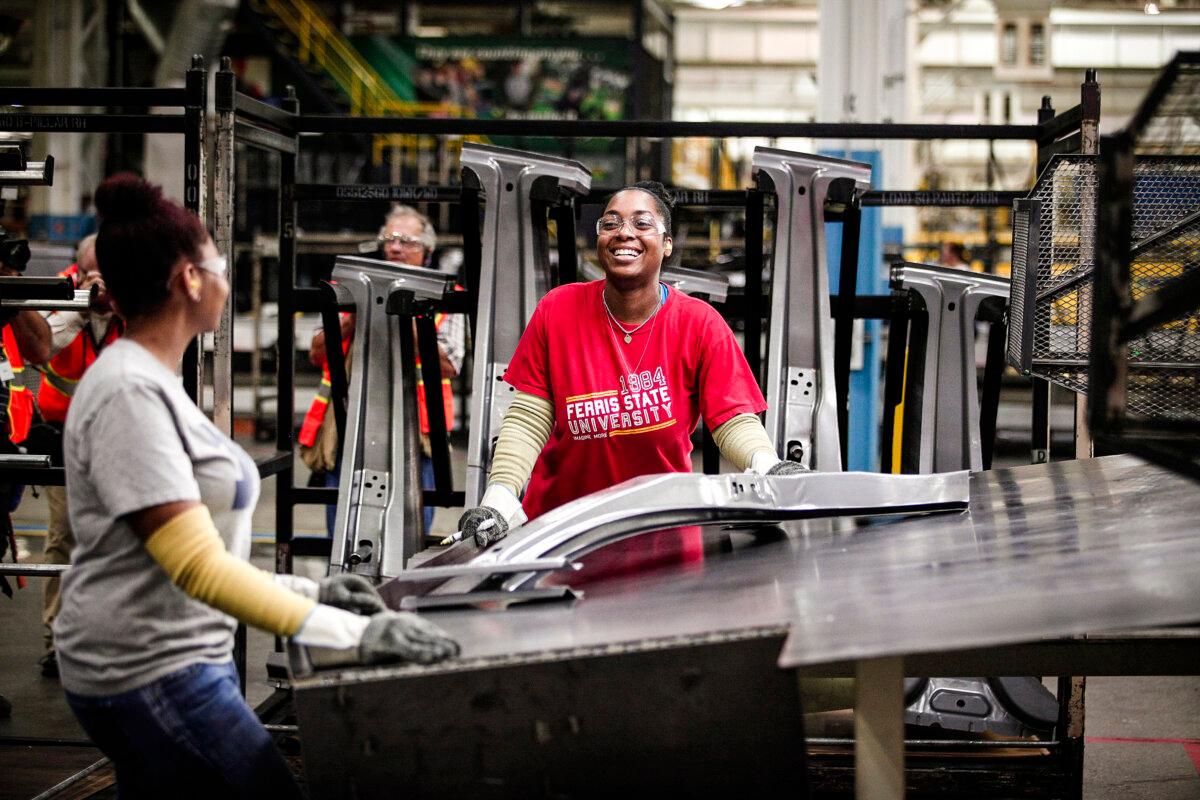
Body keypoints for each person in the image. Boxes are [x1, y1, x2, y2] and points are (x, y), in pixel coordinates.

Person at [55, 173, 458, 797]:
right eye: (218, 262)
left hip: (174, 656)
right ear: (189, 279)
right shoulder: (130, 393)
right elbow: (198, 570)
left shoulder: (152, 381)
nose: (225, 276)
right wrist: (356, 633)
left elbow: (199, 556)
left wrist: (310, 589)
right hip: (149, 668)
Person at [455, 181, 804, 581]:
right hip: (560, 539)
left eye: (642, 223)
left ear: (667, 244)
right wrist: (499, 498)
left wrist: (768, 465)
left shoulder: (699, 323)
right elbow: (528, 418)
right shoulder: (558, 309)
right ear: (600, 238)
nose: (624, 233)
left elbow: (731, 418)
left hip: (661, 541)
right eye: (611, 223)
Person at [301, 205, 465, 535]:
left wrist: (407, 310)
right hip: (349, 426)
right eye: (389, 238)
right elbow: (317, 353)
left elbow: (449, 364)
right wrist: (356, 310)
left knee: (413, 529)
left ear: (427, 250)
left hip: (418, 433)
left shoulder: (448, 298)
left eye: (406, 240)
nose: (395, 247)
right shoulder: (343, 290)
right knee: (343, 526)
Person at [34, 234, 121, 678]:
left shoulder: (129, 299)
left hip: (116, 438)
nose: (100, 283)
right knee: (64, 535)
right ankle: (57, 638)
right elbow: (43, 347)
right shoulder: (60, 297)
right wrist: (81, 305)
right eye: (92, 275)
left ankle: (105, 637)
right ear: (79, 270)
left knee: (114, 538)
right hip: (63, 436)